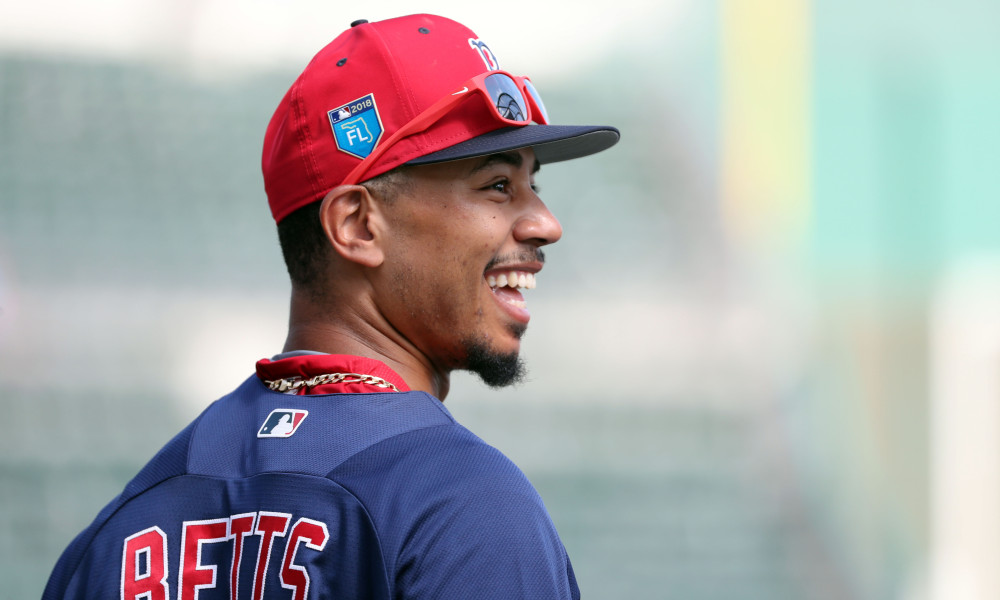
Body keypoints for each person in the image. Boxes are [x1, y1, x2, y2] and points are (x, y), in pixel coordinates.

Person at [43, 13, 618, 599]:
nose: (545, 224)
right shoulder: (465, 506)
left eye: (533, 185)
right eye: (497, 185)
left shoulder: (123, 525)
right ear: (357, 225)